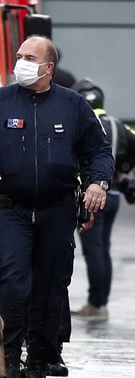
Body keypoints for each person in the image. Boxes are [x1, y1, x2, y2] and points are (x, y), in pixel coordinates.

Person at [0, 35, 114, 378]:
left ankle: (40, 365)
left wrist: (98, 184)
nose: (21, 62)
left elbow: (98, 152)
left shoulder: (73, 105)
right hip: (10, 209)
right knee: (13, 281)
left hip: (57, 210)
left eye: (30, 57)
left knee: (49, 286)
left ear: (48, 67)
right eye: (19, 56)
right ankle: (8, 361)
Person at [69, 79, 135, 321]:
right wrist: (123, 171)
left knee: (94, 251)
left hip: (92, 197)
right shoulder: (118, 125)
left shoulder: (83, 124)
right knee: (103, 250)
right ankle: (100, 303)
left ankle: (96, 305)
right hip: (114, 194)